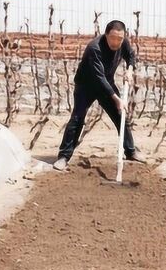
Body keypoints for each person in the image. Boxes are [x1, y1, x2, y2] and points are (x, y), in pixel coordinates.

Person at [53, 20, 146, 171]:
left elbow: (130, 55)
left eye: (120, 39)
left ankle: (130, 151)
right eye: (113, 38)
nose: (116, 42)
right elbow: (99, 78)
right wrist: (117, 99)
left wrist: (129, 69)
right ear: (106, 34)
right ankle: (64, 157)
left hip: (106, 84)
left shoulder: (123, 42)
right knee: (77, 119)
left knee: (120, 115)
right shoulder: (94, 48)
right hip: (86, 86)